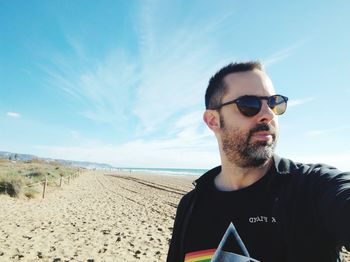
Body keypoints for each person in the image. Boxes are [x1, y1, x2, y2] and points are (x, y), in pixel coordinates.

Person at [167, 61, 350, 262]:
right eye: (249, 104)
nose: (268, 115)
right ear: (213, 120)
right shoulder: (191, 206)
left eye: (274, 103)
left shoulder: (313, 189)